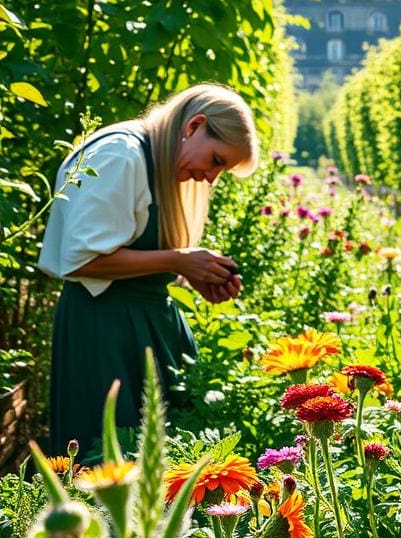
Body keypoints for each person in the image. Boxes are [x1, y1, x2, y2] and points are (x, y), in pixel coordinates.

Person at [39, 83, 259, 459]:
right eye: (217, 160)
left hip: (138, 326)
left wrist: (194, 273)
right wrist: (178, 260)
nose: (211, 178)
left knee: (160, 458)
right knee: (104, 454)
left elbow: (138, 256)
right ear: (194, 126)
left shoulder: (152, 160)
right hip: (102, 332)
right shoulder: (119, 156)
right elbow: (81, 259)